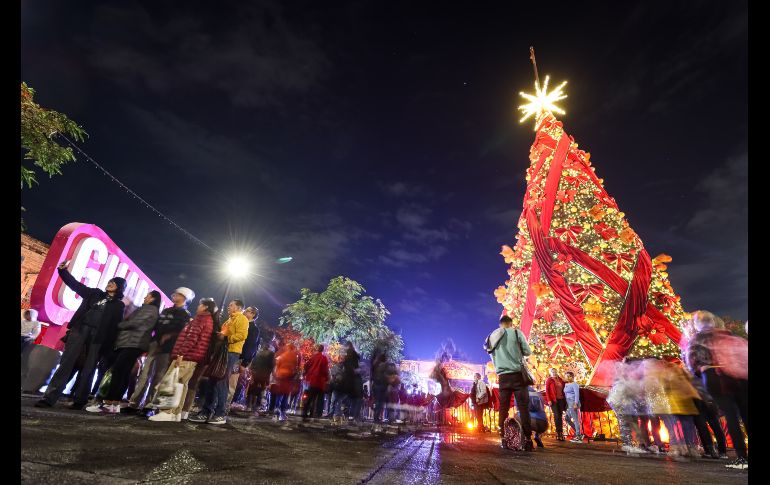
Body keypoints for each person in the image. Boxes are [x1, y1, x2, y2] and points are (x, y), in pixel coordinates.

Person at [36, 262, 126, 409]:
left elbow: (114, 328)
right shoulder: (95, 293)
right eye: (110, 281)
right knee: (66, 364)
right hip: (80, 330)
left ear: (120, 287)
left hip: (97, 338)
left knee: (89, 368)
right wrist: (63, 271)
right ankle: (49, 398)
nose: (110, 283)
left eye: (114, 283)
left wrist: (107, 349)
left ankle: (80, 400)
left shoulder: (118, 305)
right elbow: (75, 285)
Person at [686, 310, 748, 470]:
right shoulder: (729, 335)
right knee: (745, 413)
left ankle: (742, 457)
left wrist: (700, 372)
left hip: (715, 376)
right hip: (741, 377)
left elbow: (691, 363)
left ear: (698, 324)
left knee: (731, 416)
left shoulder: (698, 339)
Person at [88, 291, 161, 414]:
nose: (145, 297)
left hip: (133, 343)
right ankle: (113, 404)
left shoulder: (149, 309)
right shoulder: (149, 309)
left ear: (153, 299)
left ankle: (109, 403)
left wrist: (121, 324)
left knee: (119, 371)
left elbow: (135, 323)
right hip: (132, 343)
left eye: (147, 296)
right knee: (123, 372)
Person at [124, 287, 194, 414]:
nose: (175, 296)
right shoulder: (166, 310)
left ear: (184, 298)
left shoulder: (185, 315)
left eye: (178, 294)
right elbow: (157, 326)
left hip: (168, 349)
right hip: (155, 345)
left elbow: (181, 332)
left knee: (158, 377)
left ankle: (149, 406)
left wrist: (168, 336)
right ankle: (134, 403)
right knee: (144, 375)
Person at [148, 297, 216, 422]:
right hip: (194, 358)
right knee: (182, 384)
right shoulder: (209, 320)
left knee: (173, 381)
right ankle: (176, 412)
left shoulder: (200, 320)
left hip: (186, 356)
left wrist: (180, 354)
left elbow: (191, 338)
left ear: (205, 307)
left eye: (200, 305)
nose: (197, 307)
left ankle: (166, 412)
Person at [189, 299, 249, 425]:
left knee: (221, 381)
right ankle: (206, 412)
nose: (228, 307)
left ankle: (220, 414)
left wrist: (225, 338)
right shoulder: (229, 319)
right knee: (212, 380)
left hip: (231, 352)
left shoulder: (242, 319)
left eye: (231, 305)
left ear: (238, 308)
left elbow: (242, 335)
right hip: (221, 352)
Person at [485, 315, 534, 451]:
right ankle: (528, 439)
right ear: (511, 324)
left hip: (503, 377)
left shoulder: (491, 337)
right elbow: (527, 352)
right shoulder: (517, 333)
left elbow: (489, 351)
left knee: (503, 408)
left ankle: (504, 438)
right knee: (523, 408)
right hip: (518, 375)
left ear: (500, 324)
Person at [229, 306, 261, 405]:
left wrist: (245, 363)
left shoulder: (253, 329)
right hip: (234, 354)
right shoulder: (242, 324)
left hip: (240, 358)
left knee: (232, 383)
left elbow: (251, 347)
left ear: (253, 315)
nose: (244, 312)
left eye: (247, 311)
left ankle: (225, 407)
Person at [268, 342, 300, 421]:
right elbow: (295, 367)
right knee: (285, 395)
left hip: (280, 376)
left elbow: (277, 364)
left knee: (279, 394)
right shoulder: (294, 356)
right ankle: (282, 412)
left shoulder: (282, 355)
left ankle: (276, 410)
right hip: (288, 378)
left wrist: (276, 375)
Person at [302, 344, 330, 421]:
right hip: (320, 382)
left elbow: (306, 365)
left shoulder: (313, 357)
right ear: (323, 350)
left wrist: (306, 373)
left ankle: (305, 413)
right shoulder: (324, 358)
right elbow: (325, 370)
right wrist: (327, 378)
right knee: (320, 399)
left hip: (312, 380)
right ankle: (317, 414)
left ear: (318, 349)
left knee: (310, 397)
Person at [247, 342, 275, 414]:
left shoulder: (258, 353)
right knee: (261, 390)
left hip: (256, 373)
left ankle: (249, 406)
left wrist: (252, 371)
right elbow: (272, 365)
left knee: (252, 389)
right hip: (265, 375)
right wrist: (272, 373)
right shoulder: (271, 354)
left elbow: (253, 362)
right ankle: (257, 406)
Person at [545, 367, 567, 441]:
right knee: (556, 415)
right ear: (550, 373)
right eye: (552, 372)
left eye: (555, 371)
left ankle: (561, 432)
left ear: (557, 371)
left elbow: (565, 387)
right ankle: (558, 432)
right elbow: (547, 390)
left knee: (560, 415)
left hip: (561, 400)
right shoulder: (549, 380)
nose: (554, 373)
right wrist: (549, 400)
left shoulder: (560, 379)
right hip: (553, 400)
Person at [563, 371, 584, 443]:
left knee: (575, 419)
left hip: (573, 402)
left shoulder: (575, 384)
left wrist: (575, 403)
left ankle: (578, 436)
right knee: (566, 418)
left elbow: (577, 395)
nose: (567, 377)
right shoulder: (566, 384)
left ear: (572, 377)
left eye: (569, 376)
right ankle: (579, 433)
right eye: (566, 376)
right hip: (569, 403)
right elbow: (566, 395)